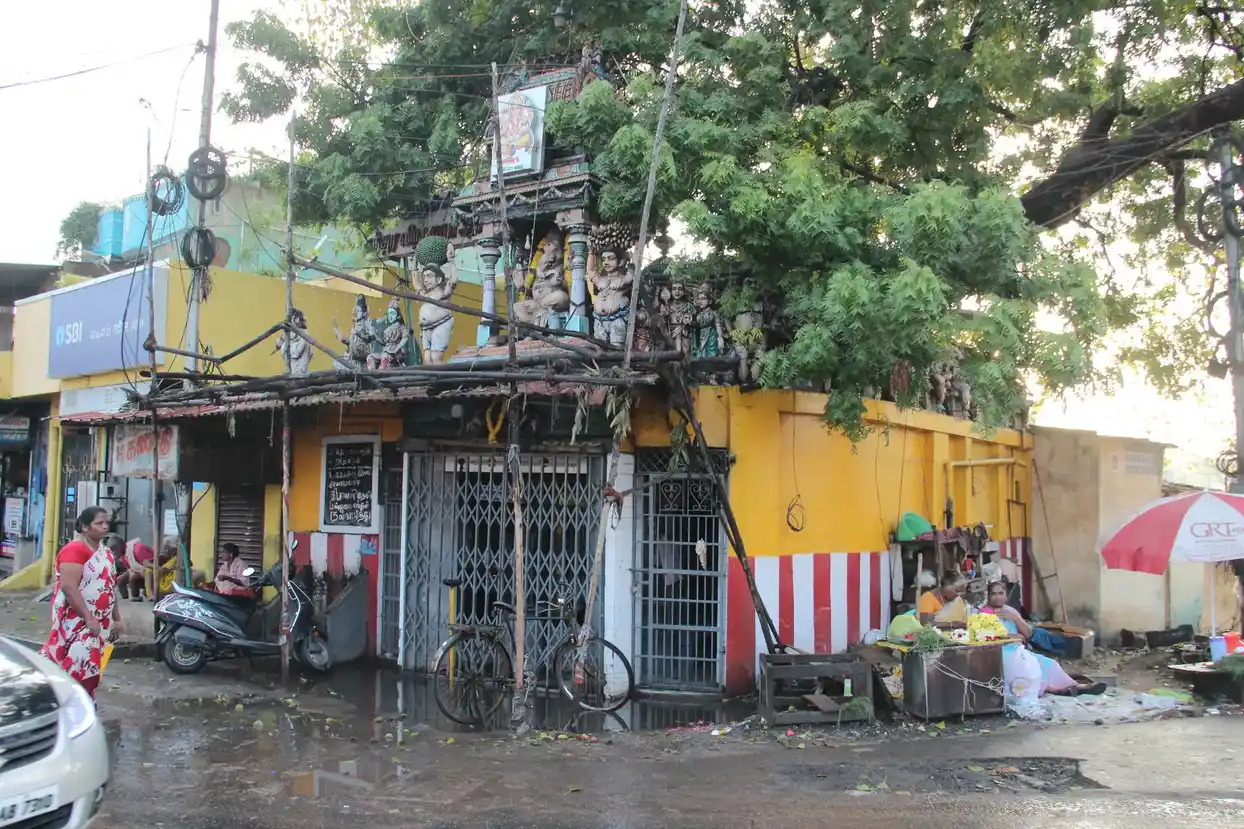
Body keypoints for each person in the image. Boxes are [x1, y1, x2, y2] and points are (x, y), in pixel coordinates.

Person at [40, 506, 122, 698]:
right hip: (77, 620)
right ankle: (71, 701)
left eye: (106, 523)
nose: (104, 526)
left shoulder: (106, 553)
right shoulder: (74, 549)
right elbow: (69, 588)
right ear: (85, 527)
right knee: (78, 662)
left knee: (90, 665)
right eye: (99, 523)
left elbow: (109, 587)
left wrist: (117, 618)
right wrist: (89, 618)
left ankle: (79, 701)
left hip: (100, 621)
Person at [985, 580, 1105, 697]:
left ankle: (1076, 686)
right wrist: (1014, 636)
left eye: (1001, 593)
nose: (997, 597)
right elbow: (985, 637)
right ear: (988, 596)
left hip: (1018, 650)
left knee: (1049, 664)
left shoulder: (1010, 611)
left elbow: (1028, 634)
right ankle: (1058, 691)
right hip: (1000, 653)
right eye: (994, 594)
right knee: (1028, 669)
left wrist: (1016, 619)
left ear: (1005, 595)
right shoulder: (983, 613)